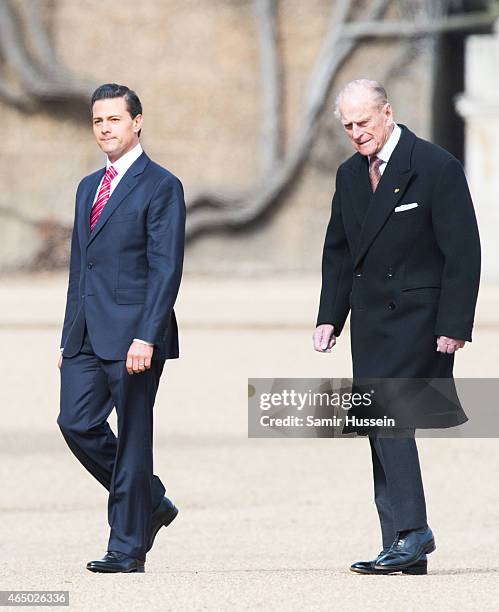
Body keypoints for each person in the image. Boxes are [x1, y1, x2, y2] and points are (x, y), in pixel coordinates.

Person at [313, 79, 480, 575]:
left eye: (363, 122)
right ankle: (400, 545)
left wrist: (455, 324)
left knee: (389, 416)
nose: (355, 133)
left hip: (419, 318)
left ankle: (413, 532)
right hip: (369, 321)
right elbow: (339, 250)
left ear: (387, 113)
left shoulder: (435, 166)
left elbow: (463, 252)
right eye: (347, 126)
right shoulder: (348, 175)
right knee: (378, 426)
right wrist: (329, 315)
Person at [57, 83, 185, 573]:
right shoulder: (88, 187)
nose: (105, 128)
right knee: (76, 422)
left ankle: (126, 548)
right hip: (88, 333)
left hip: (136, 335)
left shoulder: (161, 185)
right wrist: (69, 337)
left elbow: (165, 267)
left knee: (133, 438)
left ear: (137, 122)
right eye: (97, 121)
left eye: (114, 119)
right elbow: (79, 268)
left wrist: (147, 335)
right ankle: (149, 498)